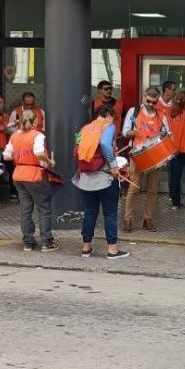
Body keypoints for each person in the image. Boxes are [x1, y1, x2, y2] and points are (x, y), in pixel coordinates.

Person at [75, 106, 128, 259]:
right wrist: (112, 165)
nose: (114, 121)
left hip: (86, 178)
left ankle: (86, 247)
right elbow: (105, 144)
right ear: (107, 115)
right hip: (104, 177)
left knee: (90, 212)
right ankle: (112, 249)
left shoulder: (84, 128)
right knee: (110, 213)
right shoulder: (108, 126)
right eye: (114, 117)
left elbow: (76, 146)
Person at [4, 108, 57, 252]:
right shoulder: (38, 135)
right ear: (36, 121)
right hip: (34, 174)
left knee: (25, 210)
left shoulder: (14, 136)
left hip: (19, 174)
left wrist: (19, 156)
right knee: (44, 209)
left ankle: (28, 241)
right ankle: (46, 242)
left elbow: (7, 156)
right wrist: (50, 162)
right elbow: (39, 153)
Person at [122, 86, 169, 232]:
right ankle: (128, 219)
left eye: (154, 103)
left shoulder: (161, 115)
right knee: (134, 188)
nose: (151, 104)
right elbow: (124, 133)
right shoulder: (133, 112)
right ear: (144, 97)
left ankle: (147, 219)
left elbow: (167, 134)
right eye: (148, 101)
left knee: (152, 190)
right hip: (137, 155)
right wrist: (132, 132)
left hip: (155, 157)